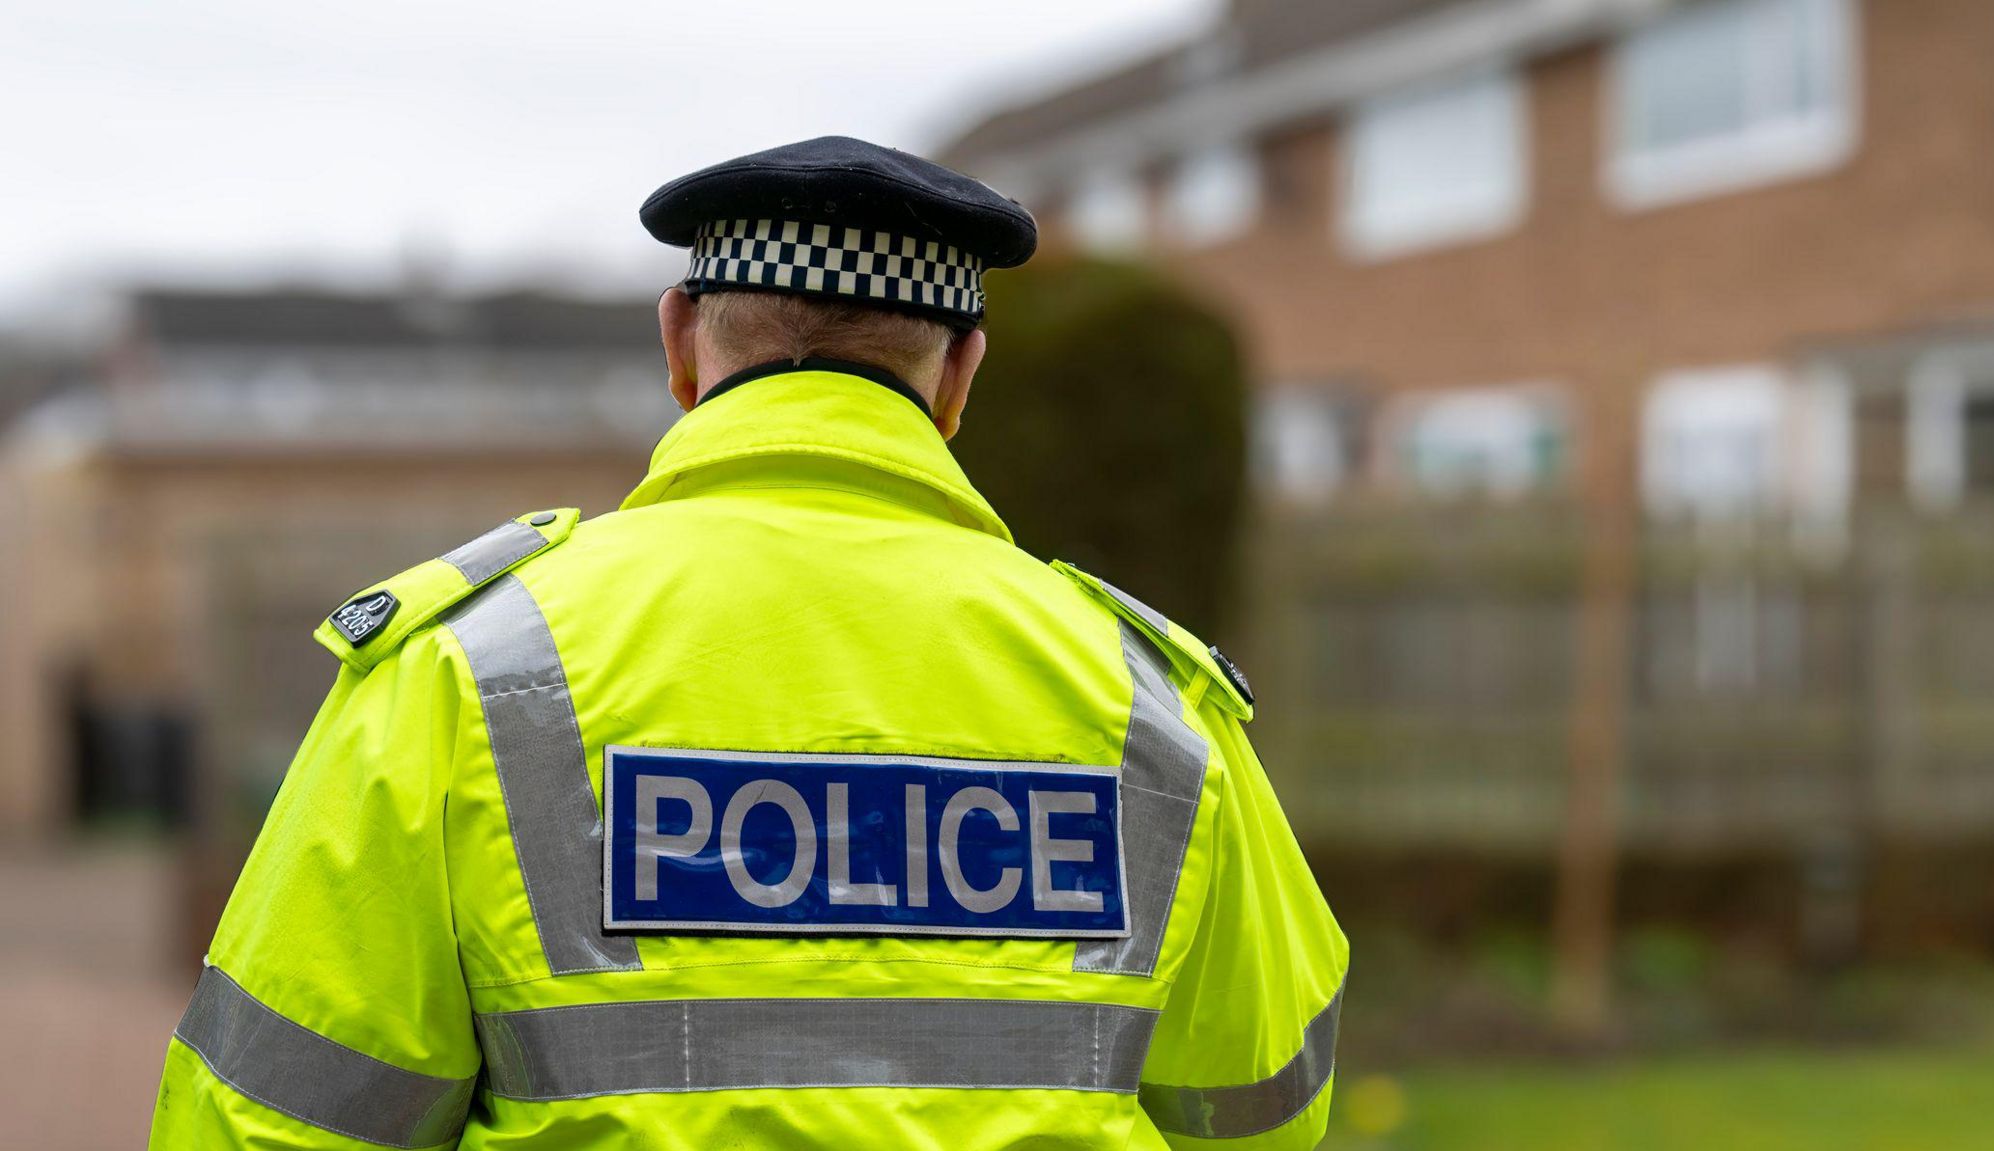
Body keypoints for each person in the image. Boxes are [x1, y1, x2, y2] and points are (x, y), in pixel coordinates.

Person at [149, 136, 1347, 1150]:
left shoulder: (470, 668)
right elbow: (1264, 1104)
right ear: (961, 374)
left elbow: (267, 1115)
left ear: (678, 340)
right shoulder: (1150, 703)